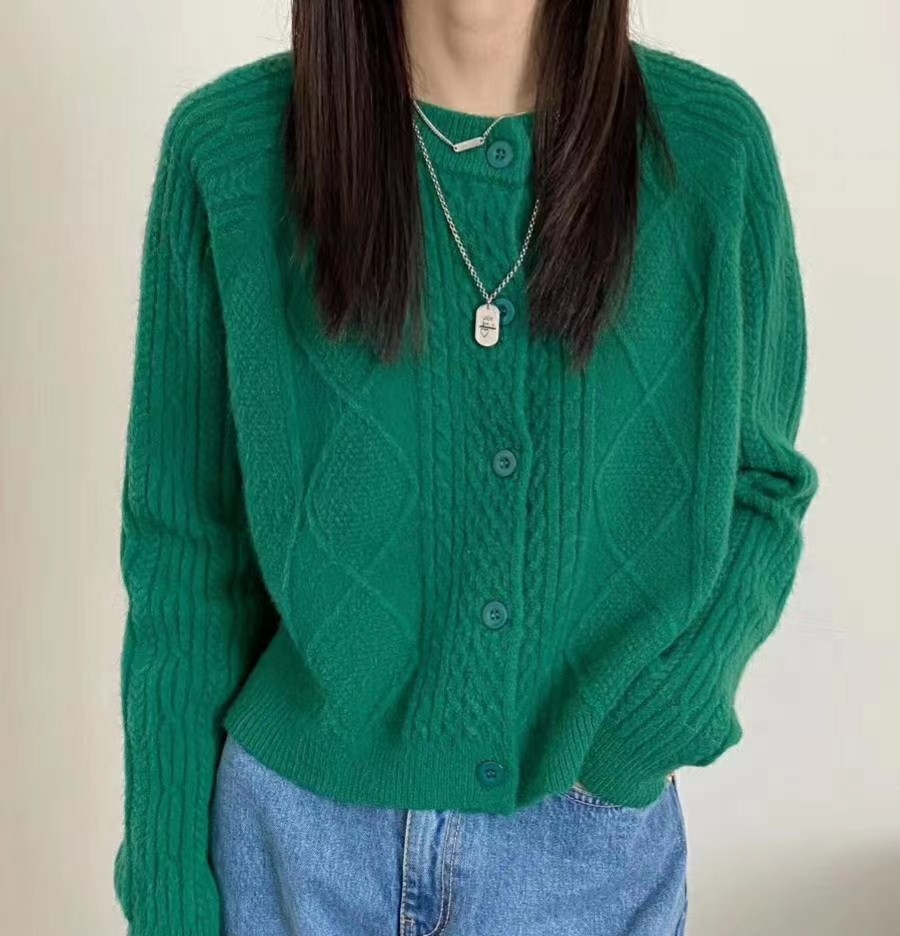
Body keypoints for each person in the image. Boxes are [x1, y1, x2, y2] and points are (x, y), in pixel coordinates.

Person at [112, 1, 819, 934]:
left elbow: (762, 488)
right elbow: (186, 556)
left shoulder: (712, 155)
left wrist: (641, 738)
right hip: (293, 855)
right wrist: (167, 898)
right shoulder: (229, 154)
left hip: (583, 861)